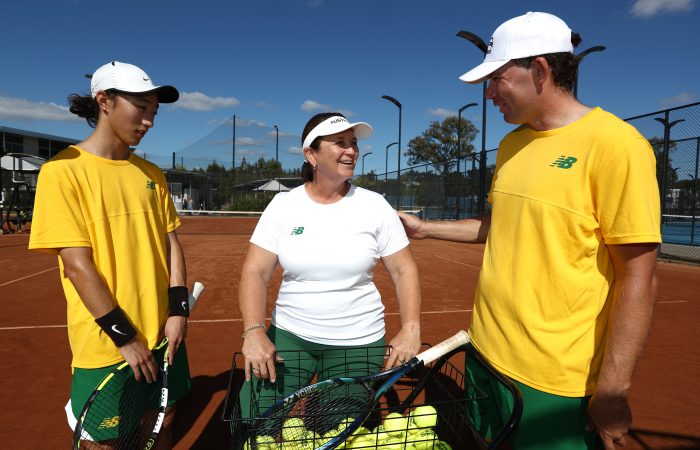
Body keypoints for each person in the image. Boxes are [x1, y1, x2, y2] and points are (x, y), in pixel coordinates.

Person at [398, 12, 661, 450]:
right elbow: (499, 223)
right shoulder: (512, 144)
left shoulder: (618, 145)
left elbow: (639, 276)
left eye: (497, 79)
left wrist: (613, 390)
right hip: (486, 354)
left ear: (539, 70)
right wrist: (426, 228)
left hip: (555, 381)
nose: (489, 93)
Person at [28, 61, 191, 449]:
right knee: (105, 442)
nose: (149, 120)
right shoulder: (62, 172)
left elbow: (171, 243)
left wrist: (178, 311)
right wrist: (125, 337)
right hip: (108, 343)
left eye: (154, 111)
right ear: (104, 101)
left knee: (161, 424)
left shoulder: (152, 173)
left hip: (162, 336)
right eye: (141, 108)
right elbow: (76, 264)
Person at [238, 112, 422, 418]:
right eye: (340, 143)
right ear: (311, 154)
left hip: (358, 342)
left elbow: (404, 270)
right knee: (253, 417)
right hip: (290, 336)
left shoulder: (375, 206)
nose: (351, 150)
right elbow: (255, 271)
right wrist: (254, 332)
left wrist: (411, 328)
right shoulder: (284, 206)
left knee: (336, 428)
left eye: (353, 143)